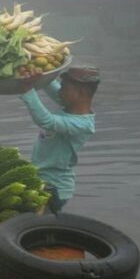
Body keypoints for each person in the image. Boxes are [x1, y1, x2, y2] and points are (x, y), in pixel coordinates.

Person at [19, 67, 100, 214]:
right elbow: (51, 87)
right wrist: (40, 76)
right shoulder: (71, 106)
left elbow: (46, 121)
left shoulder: (82, 125)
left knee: (38, 226)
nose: (60, 91)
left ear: (80, 93)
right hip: (40, 179)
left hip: (54, 187)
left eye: (64, 87)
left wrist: (27, 89)